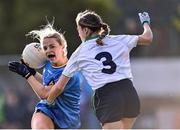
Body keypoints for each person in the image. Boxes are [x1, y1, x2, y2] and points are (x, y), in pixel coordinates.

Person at [44, 10, 153, 129]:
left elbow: (59, 87)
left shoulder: (79, 52)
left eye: (78, 30)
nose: (78, 34)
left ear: (85, 30)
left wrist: (48, 103)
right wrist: (145, 23)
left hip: (108, 96)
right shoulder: (119, 40)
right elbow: (148, 38)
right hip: (129, 93)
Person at [8, 22, 81, 129]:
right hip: (47, 110)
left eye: (52, 46)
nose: (48, 50)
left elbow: (45, 93)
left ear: (63, 46)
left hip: (68, 119)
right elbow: (47, 83)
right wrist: (33, 73)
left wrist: (27, 75)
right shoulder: (49, 64)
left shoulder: (69, 72)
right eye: (45, 48)